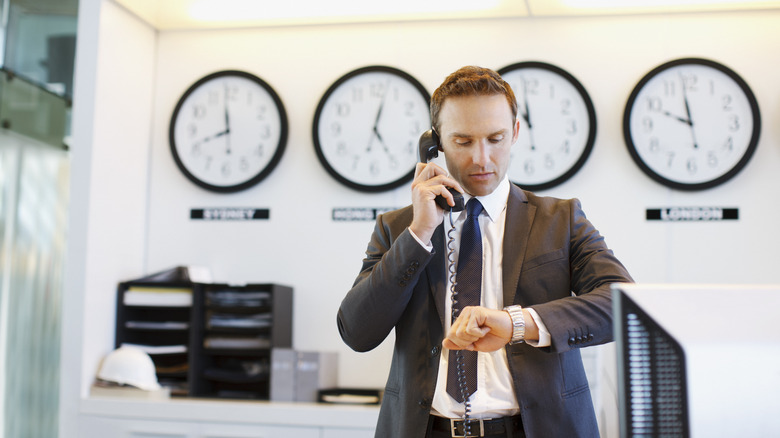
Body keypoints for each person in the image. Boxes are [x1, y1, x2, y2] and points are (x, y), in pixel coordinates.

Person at [337, 66, 633, 438]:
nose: (481, 158)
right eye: (463, 141)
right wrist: (420, 232)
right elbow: (357, 332)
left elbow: (621, 304)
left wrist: (517, 323)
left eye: (495, 138)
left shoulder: (561, 219)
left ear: (515, 132)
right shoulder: (399, 229)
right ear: (435, 143)